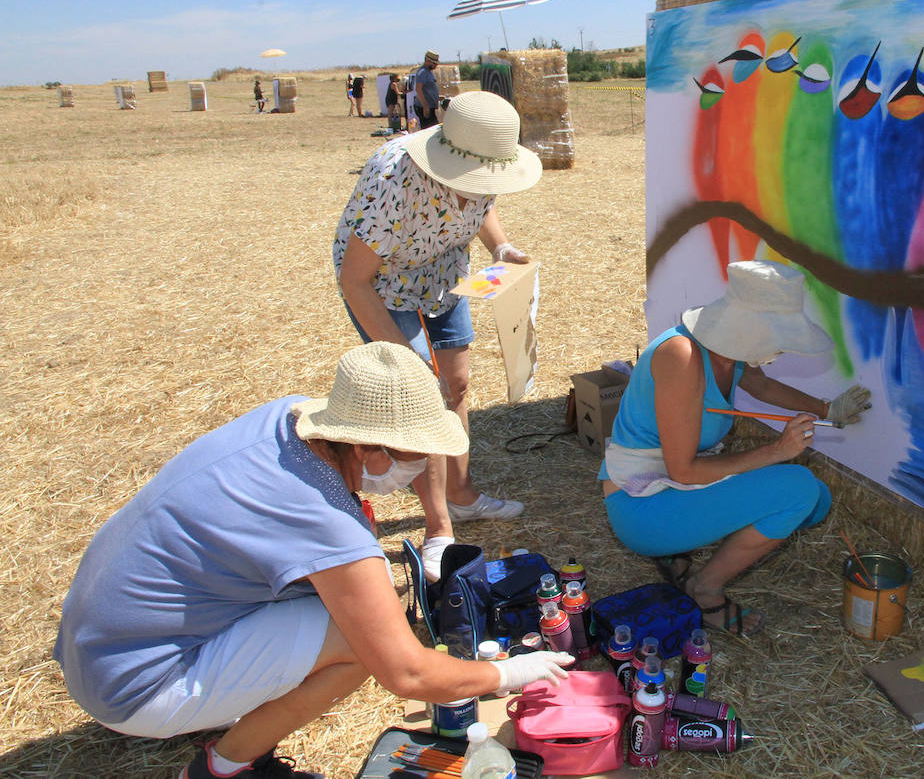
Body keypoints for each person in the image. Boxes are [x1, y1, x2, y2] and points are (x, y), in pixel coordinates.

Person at [54, 342, 573, 779]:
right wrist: (507, 675)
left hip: (97, 647)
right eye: (416, 455)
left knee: (351, 618)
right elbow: (407, 674)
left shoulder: (289, 419)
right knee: (361, 642)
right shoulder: (323, 519)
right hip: (132, 684)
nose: (423, 466)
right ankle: (225, 766)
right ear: (373, 454)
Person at [599, 261, 872, 637]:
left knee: (816, 501)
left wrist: (828, 409)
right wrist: (777, 450)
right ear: (750, 332)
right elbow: (684, 472)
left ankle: (678, 551)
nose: (782, 350)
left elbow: (763, 388)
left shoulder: (729, 352)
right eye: (779, 338)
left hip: (670, 485)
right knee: (800, 490)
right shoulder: (682, 356)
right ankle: (703, 587)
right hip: (641, 504)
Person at [334, 90, 541, 582]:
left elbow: (480, 204)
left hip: (444, 274)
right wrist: (407, 361)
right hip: (381, 286)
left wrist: (502, 246)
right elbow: (354, 279)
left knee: (458, 384)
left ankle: (462, 493)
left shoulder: (482, 155)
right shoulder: (392, 181)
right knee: (421, 397)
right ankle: (440, 527)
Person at [414, 50, 441, 129]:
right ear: (427, 61)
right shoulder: (422, 72)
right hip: (424, 108)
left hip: (429, 107)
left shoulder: (428, 72)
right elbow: (418, 89)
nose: (436, 66)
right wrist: (425, 106)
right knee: (430, 131)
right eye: (434, 63)